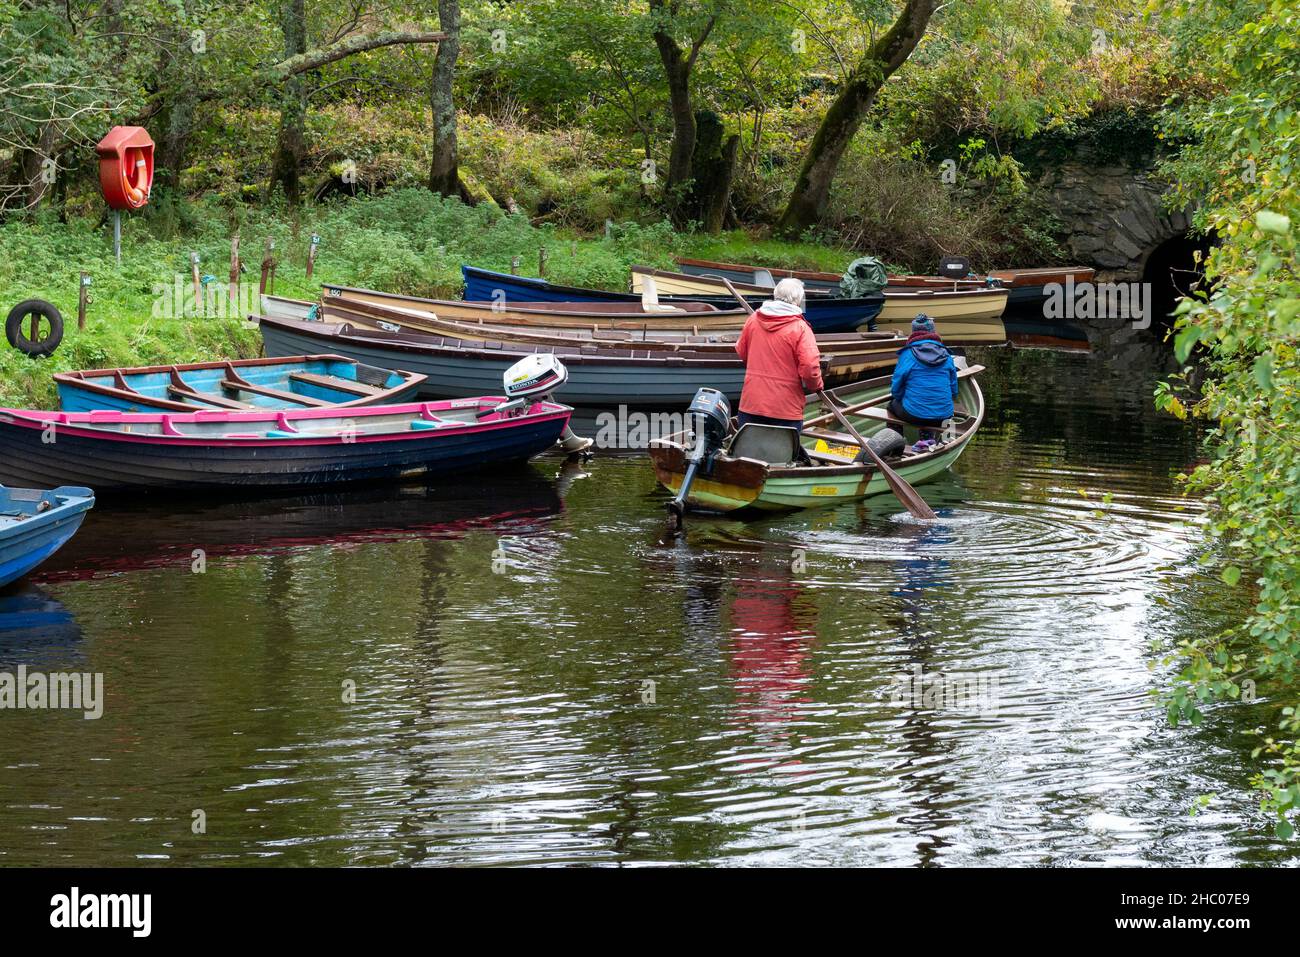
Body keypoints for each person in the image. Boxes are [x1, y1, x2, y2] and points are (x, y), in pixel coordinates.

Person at [734, 278, 822, 433]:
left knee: (749, 455)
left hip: (751, 404)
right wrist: (816, 386)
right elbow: (809, 367)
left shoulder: (753, 319)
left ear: (775, 294)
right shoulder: (800, 328)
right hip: (785, 409)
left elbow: (741, 351)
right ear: (798, 300)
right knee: (783, 456)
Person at [890, 314, 958, 440]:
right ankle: (927, 439)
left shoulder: (907, 354)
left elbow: (896, 388)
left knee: (892, 406)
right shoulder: (947, 355)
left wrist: (901, 398)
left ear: (913, 332)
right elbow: (954, 388)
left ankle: (895, 443)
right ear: (933, 332)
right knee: (924, 411)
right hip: (945, 415)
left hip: (915, 415)